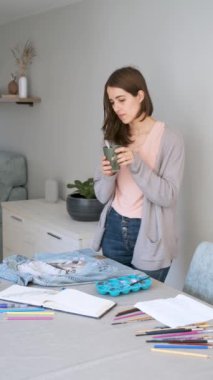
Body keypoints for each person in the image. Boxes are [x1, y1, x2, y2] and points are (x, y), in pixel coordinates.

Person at [92, 66, 184, 282]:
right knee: (114, 304)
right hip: (113, 229)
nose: (116, 108)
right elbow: (102, 196)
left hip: (151, 234)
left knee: (143, 309)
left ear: (140, 95)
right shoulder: (113, 136)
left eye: (121, 100)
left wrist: (137, 164)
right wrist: (108, 175)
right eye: (112, 102)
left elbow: (168, 195)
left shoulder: (171, 139)